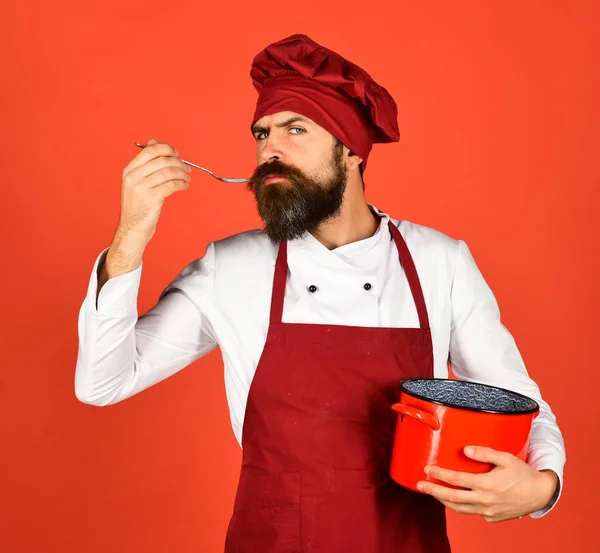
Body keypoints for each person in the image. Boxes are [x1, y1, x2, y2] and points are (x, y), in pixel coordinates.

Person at [75, 34, 566, 552]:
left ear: (351, 150)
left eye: (295, 129)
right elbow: (103, 381)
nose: (270, 149)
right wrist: (131, 235)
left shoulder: (439, 262)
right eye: (261, 133)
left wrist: (543, 485)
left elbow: (519, 405)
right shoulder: (233, 267)